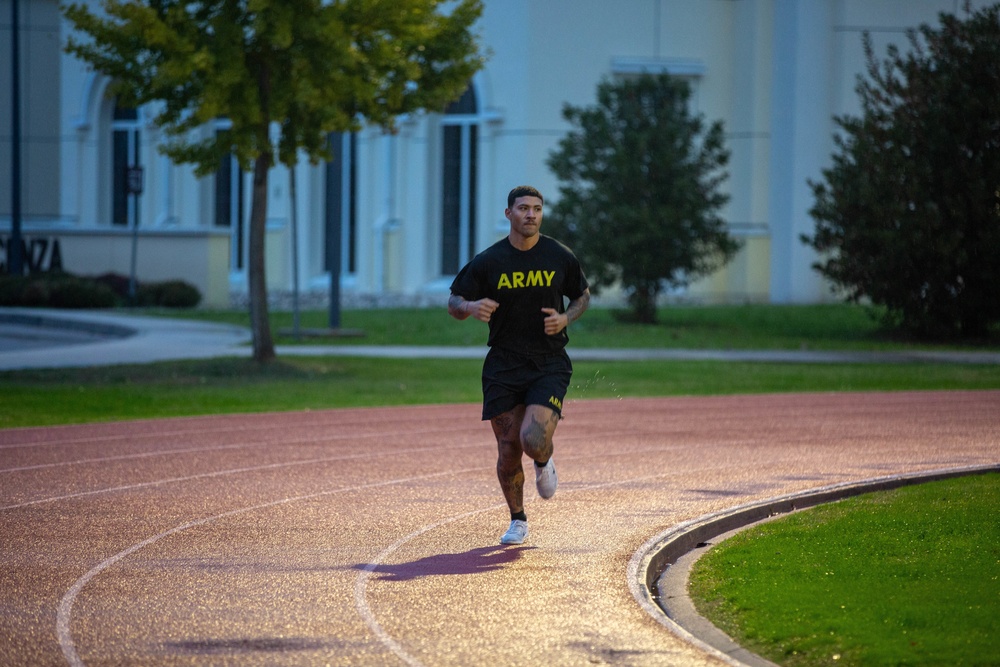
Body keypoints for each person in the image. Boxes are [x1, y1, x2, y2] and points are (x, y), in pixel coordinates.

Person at [448, 185, 591, 545]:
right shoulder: (489, 261)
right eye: (524, 208)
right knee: (509, 449)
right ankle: (518, 519)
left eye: (537, 209)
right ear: (508, 213)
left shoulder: (559, 256)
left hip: (548, 362)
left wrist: (565, 318)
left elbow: (582, 296)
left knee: (533, 440)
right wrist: (469, 308)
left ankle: (544, 461)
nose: (531, 214)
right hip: (503, 365)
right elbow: (454, 300)